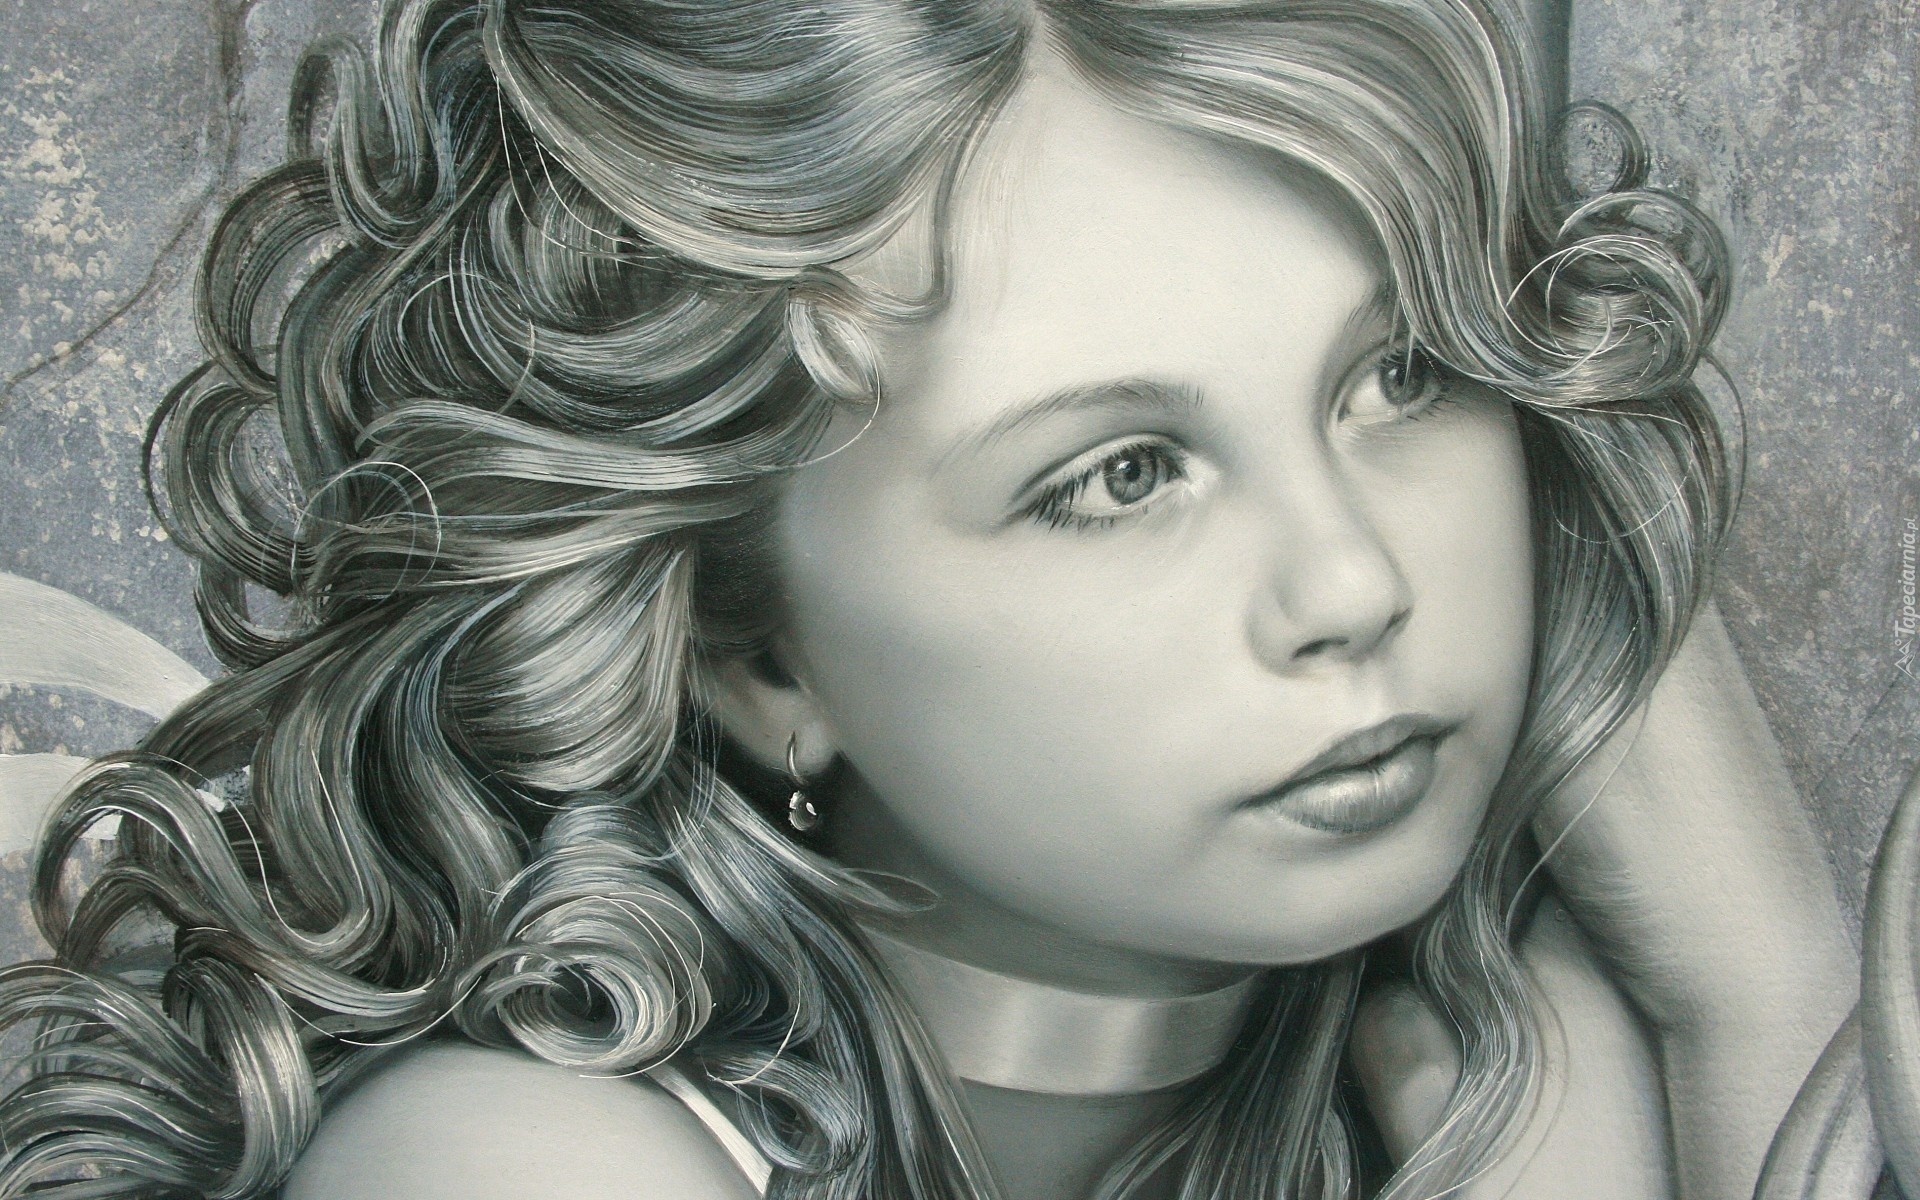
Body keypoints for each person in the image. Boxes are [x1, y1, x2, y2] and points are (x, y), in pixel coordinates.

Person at [0, 0, 1856, 1197]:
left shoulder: (1443, 1078)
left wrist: (1763, 991)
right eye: (1119, 475)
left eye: (1401, 375)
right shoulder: (517, 1163)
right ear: (750, 656)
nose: (1354, 583)